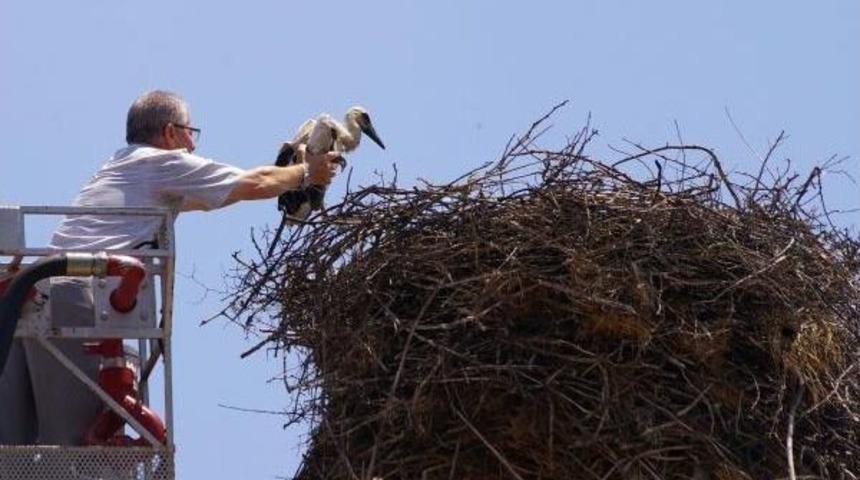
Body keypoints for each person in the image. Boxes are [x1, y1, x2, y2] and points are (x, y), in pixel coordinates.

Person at [0, 90, 341, 445]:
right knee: (76, 455)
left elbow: (214, 198)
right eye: (190, 131)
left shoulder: (120, 168)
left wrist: (288, 176)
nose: (192, 145)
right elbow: (252, 183)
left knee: (19, 449)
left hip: (27, 299)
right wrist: (306, 172)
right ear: (170, 132)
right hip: (74, 298)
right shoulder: (160, 163)